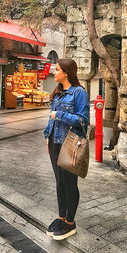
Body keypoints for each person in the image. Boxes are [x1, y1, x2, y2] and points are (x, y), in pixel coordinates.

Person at [44, 58, 89, 241]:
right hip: (54, 143)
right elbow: (51, 119)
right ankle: (62, 217)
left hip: (69, 144)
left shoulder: (78, 92)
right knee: (59, 183)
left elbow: (82, 120)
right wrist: (47, 136)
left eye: (57, 69)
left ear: (66, 72)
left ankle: (70, 223)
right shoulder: (58, 92)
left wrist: (59, 114)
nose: (53, 72)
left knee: (70, 184)